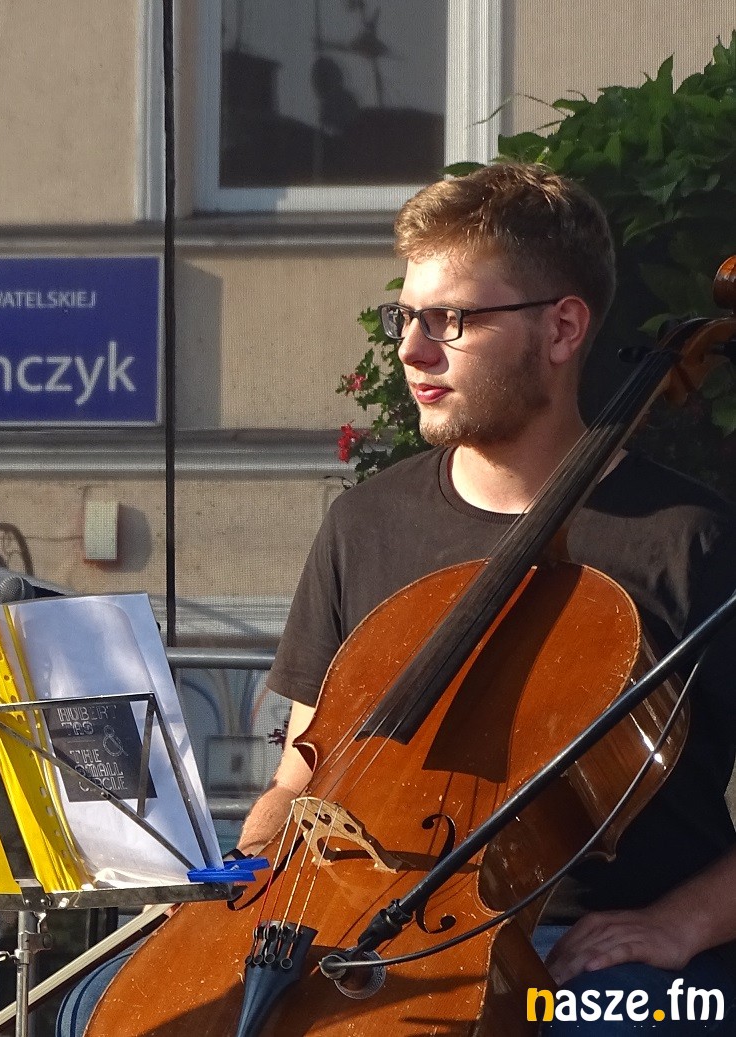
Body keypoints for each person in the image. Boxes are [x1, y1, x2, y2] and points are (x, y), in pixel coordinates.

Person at [59, 163, 736, 1034]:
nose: (412, 350)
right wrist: (249, 876)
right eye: (406, 316)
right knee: (97, 1008)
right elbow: (302, 772)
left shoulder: (692, 541)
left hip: (595, 951)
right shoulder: (366, 522)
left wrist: (679, 924)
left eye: (451, 320)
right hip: (351, 935)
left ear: (563, 327)